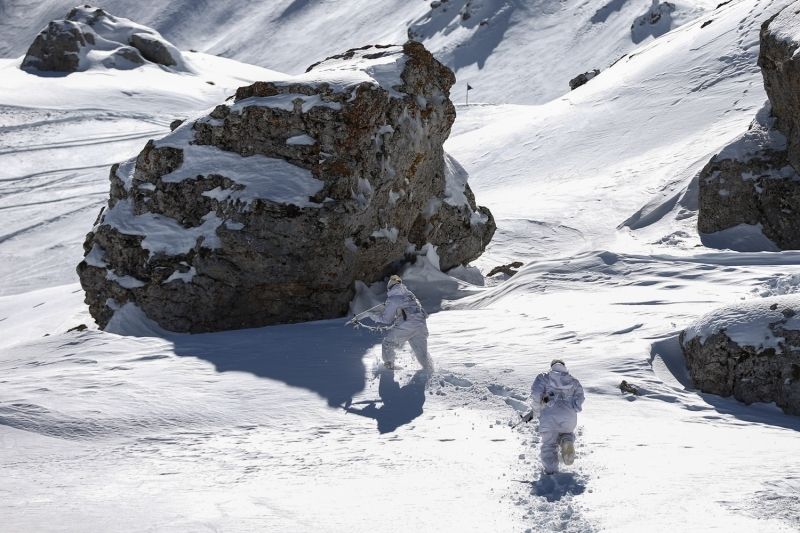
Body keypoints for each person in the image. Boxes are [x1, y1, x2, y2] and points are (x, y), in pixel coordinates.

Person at [529, 359, 584, 475]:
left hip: (549, 416)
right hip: (569, 417)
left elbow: (536, 394)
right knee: (567, 433)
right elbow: (580, 398)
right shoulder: (573, 381)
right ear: (564, 367)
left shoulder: (544, 377)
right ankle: (566, 440)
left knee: (549, 445)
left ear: (551, 367)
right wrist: (575, 407)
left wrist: (536, 410)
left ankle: (551, 472)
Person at [372, 275, 433, 371]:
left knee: (388, 343)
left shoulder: (394, 298)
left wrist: (374, 317)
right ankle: (429, 370)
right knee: (422, 354)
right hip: (421, 326)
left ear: (389, 287)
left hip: (407, 326)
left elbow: (387, 319)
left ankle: (389, 367)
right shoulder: (410, 295)